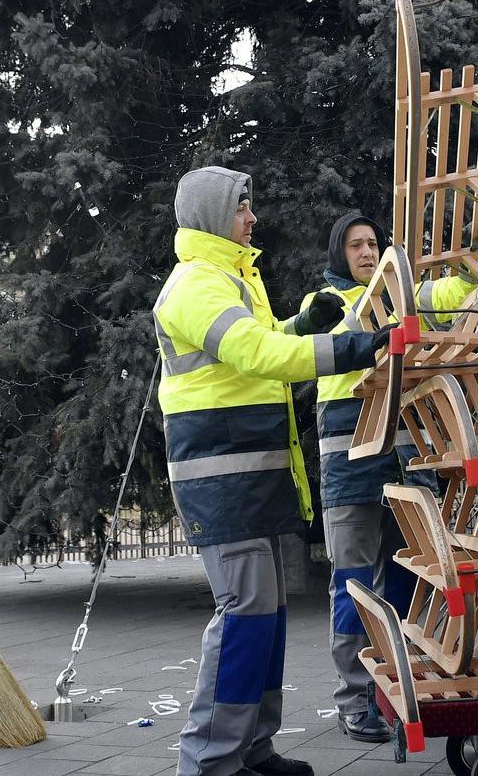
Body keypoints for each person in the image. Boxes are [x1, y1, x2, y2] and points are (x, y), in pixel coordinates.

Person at [155, 167, 392, 776]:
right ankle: (209, 761)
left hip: (246, 470)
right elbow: (258, 356)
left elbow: (253, 347)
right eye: (242, 207)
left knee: (266, 616)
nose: (252, 217)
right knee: (245, 615)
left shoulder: (230, 278)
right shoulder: (197, 284)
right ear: (213, 214)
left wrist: (303, 325)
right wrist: (354, 345)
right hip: (219, 473)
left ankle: (252, 748)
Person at [301, 212, 474, 742]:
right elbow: (330, 338)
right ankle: (354, 697)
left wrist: (465, 255)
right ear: (339, 254)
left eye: (373, 244)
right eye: (355, 246)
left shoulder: (404, 293)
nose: (367, 253)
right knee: (351, 584)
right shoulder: (323, 303)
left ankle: (395, 685)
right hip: (350, 466)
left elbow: (449, 293)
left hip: (403, 464)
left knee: (404, 574)